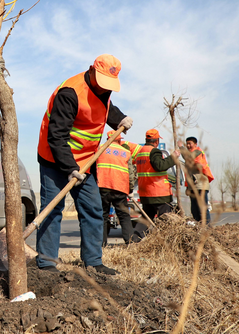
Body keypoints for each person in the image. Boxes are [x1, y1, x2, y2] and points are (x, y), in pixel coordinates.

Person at [36, 54, 133, 275]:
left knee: (93, 209)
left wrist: (120, 118)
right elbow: (56, 137)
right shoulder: (70, 93)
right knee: (52, 210)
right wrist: (70, 168)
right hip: (54, 159)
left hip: (85, 162)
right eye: (101, 83)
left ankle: (93, 262)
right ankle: (46, 263)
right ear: (91, 70)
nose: (103, 89)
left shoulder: (103, 89)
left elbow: (105, 108)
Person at [95, 130, 140, 245]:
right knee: (124, 215)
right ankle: (130, 242)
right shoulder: (126, 152)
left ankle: (102, 243)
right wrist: (130, 189)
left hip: (103, 186)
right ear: (119, 140)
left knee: (103, 215)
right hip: (120, 188)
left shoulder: (99, 149)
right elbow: (131, 174)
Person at [135, 129, 180, 221]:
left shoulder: (140, 152)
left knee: (146, 221)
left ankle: (136, 236)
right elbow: (160, 166)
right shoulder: (154, 151)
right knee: (165, 222)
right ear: (156, 141)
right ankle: (163, 236)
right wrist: (173, 157)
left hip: (146, 193)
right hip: (158, 193)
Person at [185, 136, 214, 224]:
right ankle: (198, 228)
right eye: (187, 144)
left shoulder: (198, 152)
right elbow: (188, 174)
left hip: (200, 184)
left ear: (195, 144)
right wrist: (187, 186)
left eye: (190, 143)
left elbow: (193, 159)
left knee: (202, 209)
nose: (188, 145)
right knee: (194, 210)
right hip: (193, 185)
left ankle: (207, 228)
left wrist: (181, 148)